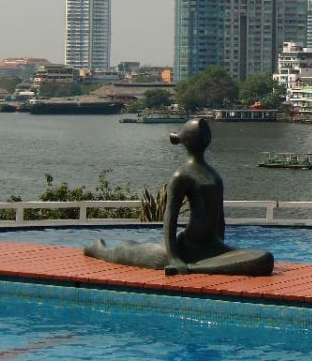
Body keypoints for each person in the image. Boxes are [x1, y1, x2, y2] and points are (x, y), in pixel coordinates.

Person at [84, 117, 274, 276]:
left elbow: (220, 217)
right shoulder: (182, 175)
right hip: (187, 247)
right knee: (128, 251)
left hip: (212, 247)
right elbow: (170, 217)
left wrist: (220, 245)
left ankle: (195, 267)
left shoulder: (214, 176)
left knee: (264, 259)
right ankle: (98, 248)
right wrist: (174, 257)